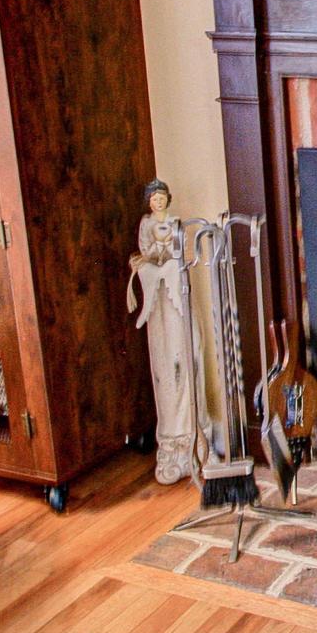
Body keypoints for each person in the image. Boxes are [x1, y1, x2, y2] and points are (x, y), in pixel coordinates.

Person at [127, 179, 200, 485]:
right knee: (165, 367)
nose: (157, 202)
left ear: (167, 199)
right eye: (153, 198)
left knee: (182, 361)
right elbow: (148, 250)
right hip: (158, 297)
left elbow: (176, 249)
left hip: (173, 285)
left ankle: (191, 440)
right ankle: (173, 442)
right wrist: (152, 258)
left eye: (161, 197)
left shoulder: (175, 223)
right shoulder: (147, 225)